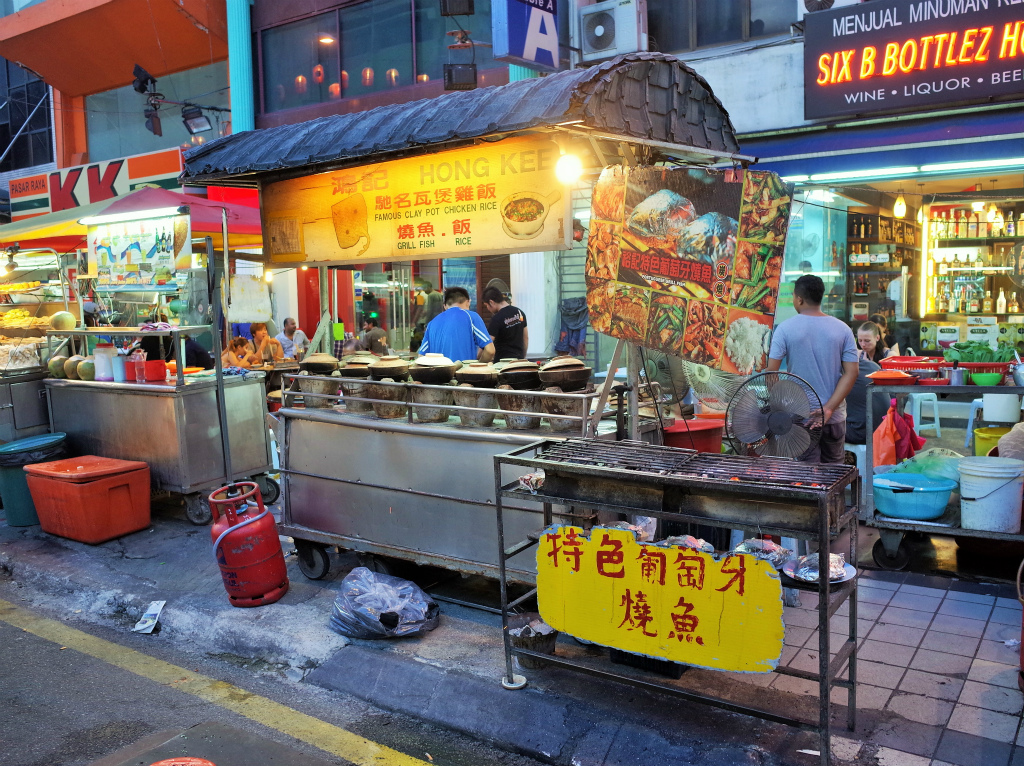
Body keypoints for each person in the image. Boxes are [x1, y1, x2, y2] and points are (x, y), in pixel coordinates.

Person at [767, 274, 859, 464]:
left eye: (793, 296)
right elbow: (852, 373)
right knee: (834, 475)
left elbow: (770, 374)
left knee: (807, 476)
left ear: (799, 299)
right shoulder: (843, 329)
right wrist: (829, 409)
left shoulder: (785, 329)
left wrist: (780, 406)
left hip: (801, 417)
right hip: (834, 417)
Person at [419, 286, 495, 362]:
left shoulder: (432, 323)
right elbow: (490, 350)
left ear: (445, 306)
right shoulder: (471, 317)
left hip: (438, 373)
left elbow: (421, 357)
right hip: (463, 372)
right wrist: (477, 366)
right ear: (468, 302)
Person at [845, 356, 889, 445]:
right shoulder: (873, 365)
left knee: (819, 427)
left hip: (861, 433)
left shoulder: (840, 373)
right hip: (886, 430)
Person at [482, 286, 528, 360]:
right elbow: (525, 338)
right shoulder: (520, 313)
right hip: (518, 361)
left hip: (502, 363)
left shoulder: (496, 319)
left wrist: (481, 361)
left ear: (491, 302)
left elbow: (488, 344)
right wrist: (522, 357)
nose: (487, 308)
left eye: (486, 305)